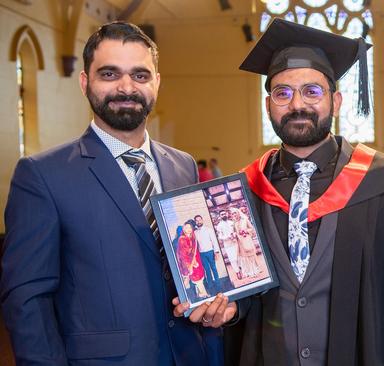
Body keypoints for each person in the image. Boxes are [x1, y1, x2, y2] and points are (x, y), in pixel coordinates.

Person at [174, 19, 384, 365]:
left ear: (335, 102)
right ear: (268, 106)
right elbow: (242, 295)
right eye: (283, 93)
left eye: (312, 91)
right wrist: (229, 309)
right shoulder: (242, 194)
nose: (297, 105)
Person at [0, 22, 223, 365]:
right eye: (109, 74)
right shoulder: (43, 175)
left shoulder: (183, 166)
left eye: (140, 75)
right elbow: (27, 300)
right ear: (85, 82)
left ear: (157, 84)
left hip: (190, 354)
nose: (126, 87)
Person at [177, 221, 209, 299]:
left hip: (196, 260)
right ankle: (203, 294)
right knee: (196, 278)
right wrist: (191, 263)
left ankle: (200, 294)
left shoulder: (192, 237)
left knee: (199, 277)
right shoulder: (182, 239)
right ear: (183, 229)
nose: (188, 229)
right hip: (189, 262)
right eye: (186, 228)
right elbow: (184, 254)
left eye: (190, 228)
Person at [195, 214, 222, 293]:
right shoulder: (195, 232)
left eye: (199, 220)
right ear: (195, 222)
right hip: (202, 254)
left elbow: (214, 241)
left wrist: (216, 252)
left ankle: (218, 284)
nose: (198, 221)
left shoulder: (208, 230)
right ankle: (210, 285)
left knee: (213, 268)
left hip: (210, 252)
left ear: (202, 220)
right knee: (206, 269)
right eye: (197, 220)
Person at [231, 208, 261, 278]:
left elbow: (252, 229)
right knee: (244, 258)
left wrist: (245, 231)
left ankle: (255, 271)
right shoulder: (234, 223)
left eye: (235, 213)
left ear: (238, 213)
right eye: (232, 214)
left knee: (250, 256)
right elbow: (234, 232)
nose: (234, 215)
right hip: (240, 243)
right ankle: (248, 272)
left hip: (247, 240)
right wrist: (234, 234)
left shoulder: (245, 220)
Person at [215, 209, 242, 279]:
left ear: (227, 214)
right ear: (220, 216)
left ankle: (241, 269)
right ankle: (237, 272)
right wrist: (228, 237)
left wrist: (235, 234)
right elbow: (220, 237)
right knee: (232, 259)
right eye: (222, 214)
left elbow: (236, 231)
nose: (223, 215)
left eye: (224, 214)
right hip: (228, 245)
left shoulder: (231, 222)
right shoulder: (219, 226)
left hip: (235, 242)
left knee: (238, 257)